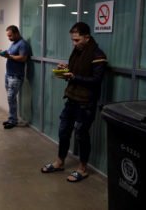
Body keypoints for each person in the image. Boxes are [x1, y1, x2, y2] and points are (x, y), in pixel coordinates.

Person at [41, 22, 107, 182]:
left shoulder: (98, 55)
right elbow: (76, 71)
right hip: (71, 99)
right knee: (63, 131)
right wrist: (66, 69)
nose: (74, 43)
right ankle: (60, 162)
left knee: (81, 134)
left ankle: (83, 169)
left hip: (86, 103)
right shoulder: (78, 52)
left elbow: (96, 80)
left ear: (87, 37)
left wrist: (74, 77)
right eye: (72, 40)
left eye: (77, 40)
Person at [0, 25, 30, 129]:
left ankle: (13, 121)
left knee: (11, 97)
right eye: (8, 36)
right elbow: (11, 55)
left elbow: (23, 58)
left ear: (16, 33)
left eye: (10, 36)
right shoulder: (14, 43)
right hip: (9, 74)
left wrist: (9, 56)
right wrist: (4, 54)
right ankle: (12, 118)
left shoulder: (23, 44)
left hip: (16, 76)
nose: (9, 38)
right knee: (10, 98)